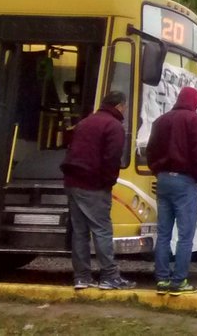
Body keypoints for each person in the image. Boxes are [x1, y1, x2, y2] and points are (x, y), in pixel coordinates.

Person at [62, 91, 135, 290]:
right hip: (94, 184)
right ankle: (109, 276)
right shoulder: (114, 126)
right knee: (102, 230)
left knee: (80, 231)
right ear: (120, 106)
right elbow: (112, 158)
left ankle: (82, 277)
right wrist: (108, 182)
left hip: (72, 182)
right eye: (125, 106)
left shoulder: (85, 122)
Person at [146, 86, 197, 295]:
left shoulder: (161, 120)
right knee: (185, 234)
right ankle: (179, 280)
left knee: (163, 233)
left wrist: (158, 171)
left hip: (163, 179)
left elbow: (151, 150)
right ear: (195, 102)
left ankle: (162, 279)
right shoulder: (194, 121)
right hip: (185, 181)